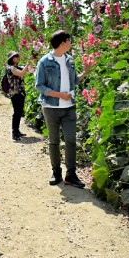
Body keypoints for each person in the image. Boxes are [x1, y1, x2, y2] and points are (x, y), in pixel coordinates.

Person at [34, 30, 92, 188]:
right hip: (51, 107)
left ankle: (71, 175)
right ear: (62, 43)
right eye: (69, 41)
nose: (70, 43)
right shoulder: (45, 62)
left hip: (69, 107)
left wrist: (85, 71)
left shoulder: (70, 60)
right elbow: (39, 86)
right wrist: (59, 95)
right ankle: (56, 172)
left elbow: (75, 81)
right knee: (54, 141)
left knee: (71, 141)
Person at [5, 50, 28, 141]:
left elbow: (26, 70)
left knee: (19, 112)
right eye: (16, 57)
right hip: (14, 93)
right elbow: (22, 73)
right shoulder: (11, 68)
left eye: (18, 56)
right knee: (16, 112)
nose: (18, 58)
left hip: (20, 92)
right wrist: (28, 63)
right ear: (11, 59)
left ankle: (17, 130)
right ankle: (14, 133)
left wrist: (29, 63)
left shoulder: (17, 67)